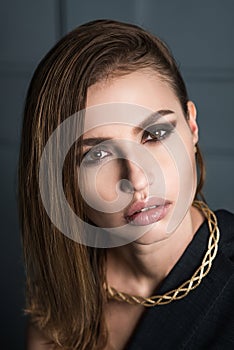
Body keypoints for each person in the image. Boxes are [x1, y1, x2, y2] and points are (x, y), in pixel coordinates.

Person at [18, 19, 234, 350]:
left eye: (155, 135)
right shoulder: (64, 296)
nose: (137, 179)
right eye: (98, 154)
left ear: (192, 127)